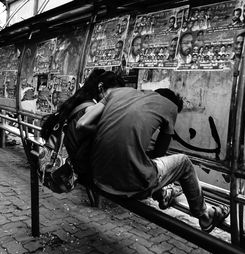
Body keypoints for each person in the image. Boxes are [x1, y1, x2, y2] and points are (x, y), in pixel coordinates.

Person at [85, 87, 229, 232]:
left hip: (98, 176)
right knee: (183, 162)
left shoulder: (123, 94)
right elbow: (160, 153)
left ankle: (163, 194)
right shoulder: (170, 106)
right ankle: (204, 214)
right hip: (127, 185)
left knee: (143, 160)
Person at [40, 69, 125, 184]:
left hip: (62, 158)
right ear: (101, 87)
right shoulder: (91, 108)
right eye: (112, 94)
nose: (113, 99)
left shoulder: (79, 101)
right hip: (75, 166)